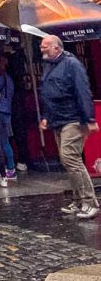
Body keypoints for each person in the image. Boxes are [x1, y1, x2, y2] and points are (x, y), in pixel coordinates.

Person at [39, 34, 99, 220]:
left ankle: (89, 202)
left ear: (57, 48)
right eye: (41, 46)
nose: (41, 49)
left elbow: (83, 91)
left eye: (45, 46)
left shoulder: (72, 65)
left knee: (70, 158)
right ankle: (79, 199)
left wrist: (89, 119)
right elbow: (49, 93)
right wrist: (47, 117)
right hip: (58, 119)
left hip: (73, 119)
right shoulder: (50, 65)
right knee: (68, 160)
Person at [0, 61, 17, 180]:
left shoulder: (1, 80)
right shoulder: (10, 80)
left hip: (0, 112)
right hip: (7, 111)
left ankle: (11, 169)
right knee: (5, 140)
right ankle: (10, 167)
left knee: (3, 141)